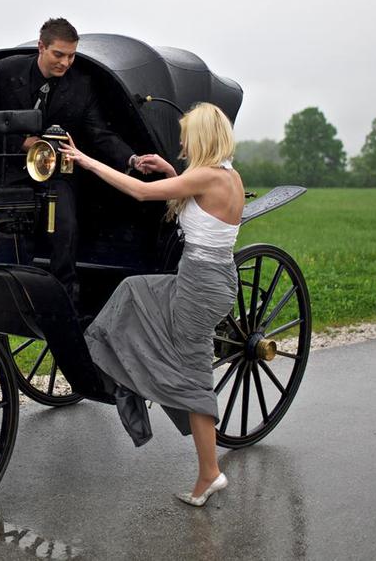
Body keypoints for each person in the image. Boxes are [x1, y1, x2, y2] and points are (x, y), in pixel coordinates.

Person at [63, 102, 242, 507]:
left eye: (186, 137)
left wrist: (85, 160)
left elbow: (141, 192)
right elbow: (200, 205)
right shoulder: (226, 176)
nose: (182, 143)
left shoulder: (206, 176)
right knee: (133, 290)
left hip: (199, 287)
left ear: (202, 138)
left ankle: (210, 473)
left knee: (194, 377)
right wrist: (170, 171)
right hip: (209, 280)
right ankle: (132, 377)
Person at [0, 18, 140, 304]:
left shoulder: (82, 85)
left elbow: (99, 133)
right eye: (59, 54)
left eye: (71, 56)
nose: (65, 62)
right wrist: (22, 143)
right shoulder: (5, 70)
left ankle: (64, 305)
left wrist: (133, 158)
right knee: (10, 241)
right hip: (10, 171)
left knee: (65, 233)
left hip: (57, 175)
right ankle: (7, 302)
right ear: (41, 47)